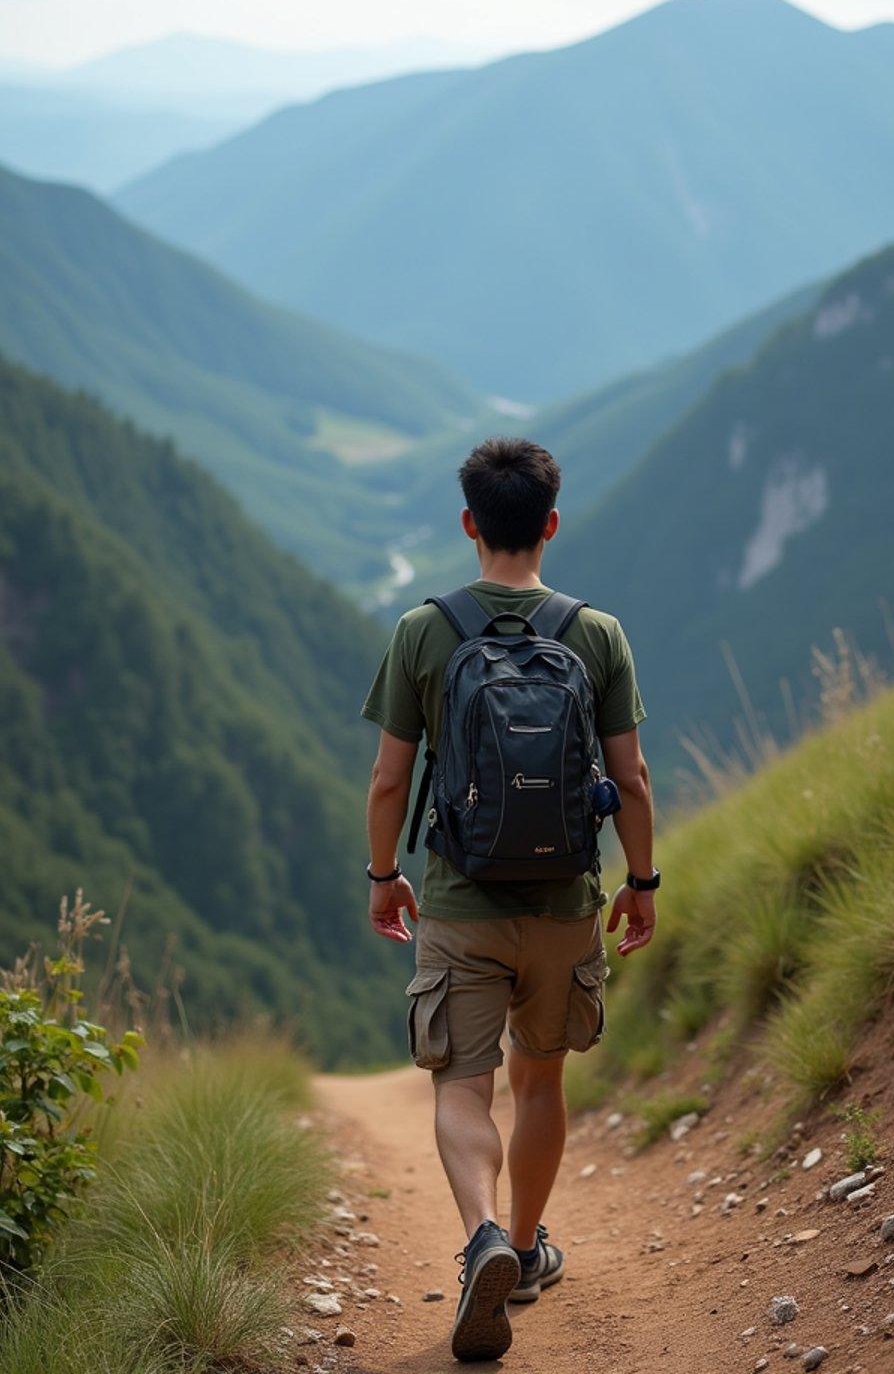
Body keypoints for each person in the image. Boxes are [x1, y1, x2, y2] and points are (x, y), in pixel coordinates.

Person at [361, 436, 657, 1362]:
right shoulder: (595, 634)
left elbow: (385, 783)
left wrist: (384, 877)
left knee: (463, 1083)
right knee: (541, 1077)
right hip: (566, 902)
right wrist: (641, 883)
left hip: (459, 899)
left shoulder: (423, 632)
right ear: (551, 524)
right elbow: (634, 778)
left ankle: (482, 1232)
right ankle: (526, 1251)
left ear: (469, 524)